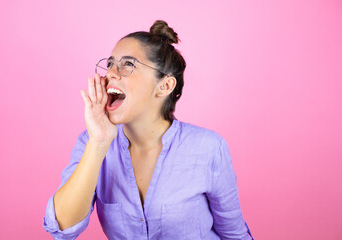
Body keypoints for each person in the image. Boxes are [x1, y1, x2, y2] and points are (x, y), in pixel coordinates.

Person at [42, 20, 254, 240]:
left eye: (128, 65)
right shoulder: (92, 142)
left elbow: (234, 235)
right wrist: (98, 143)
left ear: (164, 86)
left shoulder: (209, 148)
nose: (111, 74)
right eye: (111, 64)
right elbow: (62, 228)